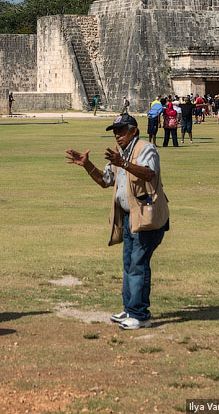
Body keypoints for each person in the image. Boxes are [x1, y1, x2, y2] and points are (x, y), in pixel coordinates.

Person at [64, 113, 169, 330]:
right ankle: (130, 309)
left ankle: (141, 315)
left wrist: (123, 163)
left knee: (139, 265)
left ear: (134, 131)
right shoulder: (120, 154)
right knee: (129, 264)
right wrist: (87, 165)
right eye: (115, 131)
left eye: (121, 130)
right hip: (130, 217)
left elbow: (149, 174)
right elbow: (106, 181)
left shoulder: (145, 149)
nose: (117, 135)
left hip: (146, 217)